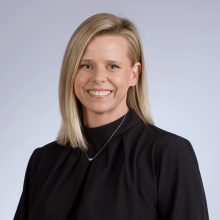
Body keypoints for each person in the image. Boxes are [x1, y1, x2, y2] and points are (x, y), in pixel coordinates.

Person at [13, 13, 209, 220]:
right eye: (86, 66)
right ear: (71, 72)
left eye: (112, 66)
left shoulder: (166, 153)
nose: (98, 78)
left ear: (134, 74)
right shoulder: (43, 160)